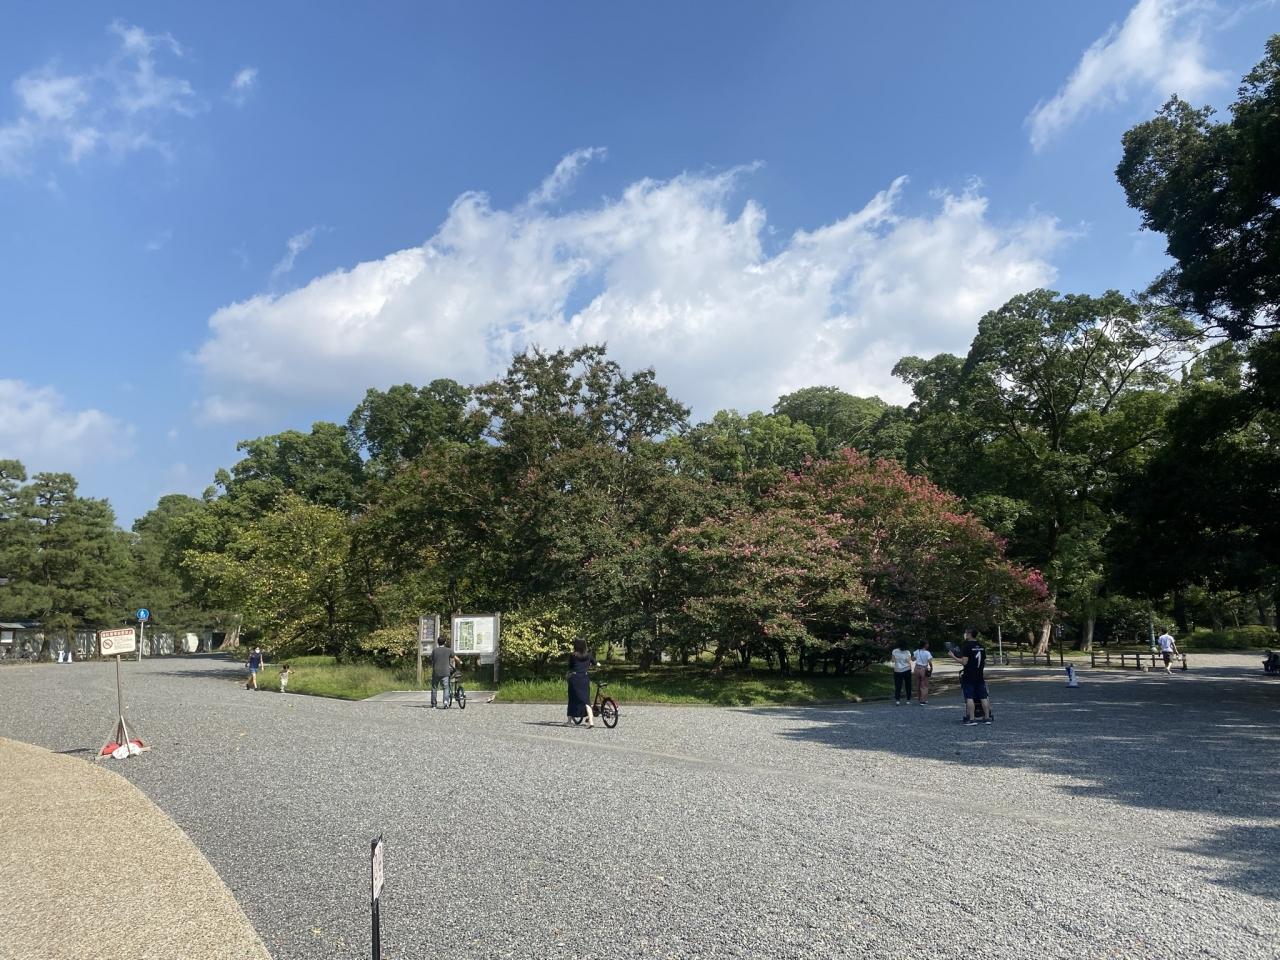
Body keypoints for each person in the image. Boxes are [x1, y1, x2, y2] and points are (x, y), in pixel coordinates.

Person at [952, 628, 991, 725]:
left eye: (965, 633)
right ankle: (987, 718)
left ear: (969, 634)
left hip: (969, 675)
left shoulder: (967, 646)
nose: (964, 634)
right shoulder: (981, 646)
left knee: (969, 697)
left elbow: (964, 662)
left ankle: (972, 719)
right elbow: (984, 662)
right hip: (979, 675)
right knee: (983, 697)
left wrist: (953, 656)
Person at [566, 638, 596, 727]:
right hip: (584, 678)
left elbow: (570, 666)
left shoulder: (573, 655)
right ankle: (591, 722)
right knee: (586, 700)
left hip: (575, 678)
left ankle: (569, 721)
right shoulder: (588, 655)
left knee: (572, 699)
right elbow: (594, 662)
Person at [430, 637, 461, 708]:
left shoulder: (434, 651)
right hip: (445, 672)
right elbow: (455, 657)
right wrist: (460, 661)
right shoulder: (448, 650)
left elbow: (431, 660)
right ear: (445, 642)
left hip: (436, 672)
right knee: (446, 688)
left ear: (438, 642)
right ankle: (445, 703)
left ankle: (434, 704)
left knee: (434, 688)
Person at [912, 640, 933, 704]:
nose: (928, 645)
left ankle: (919, 698)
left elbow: (913, 659)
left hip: (916, 668)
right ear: (925, 645)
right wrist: (931, 667)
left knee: (918, 684)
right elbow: (930, 662)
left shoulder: (917, 651)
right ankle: (923, 700)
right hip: (924, 669)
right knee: (924, 685)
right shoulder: (927, 653)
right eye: (927, 644)